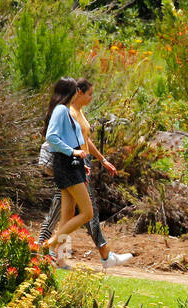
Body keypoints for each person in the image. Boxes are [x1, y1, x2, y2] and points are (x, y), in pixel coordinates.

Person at [37, 78, 132, 269]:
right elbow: (54, 137)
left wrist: (94, 160)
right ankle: (47, 246)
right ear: (75, 92)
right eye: (88, 94)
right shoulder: (65, 111)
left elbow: (81, 140)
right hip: (69, 165)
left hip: (76, 164)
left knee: (67, 215)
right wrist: (75, 154)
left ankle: (55, 256)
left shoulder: (69, 111)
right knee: (88, 213)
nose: (90, 98)